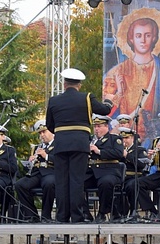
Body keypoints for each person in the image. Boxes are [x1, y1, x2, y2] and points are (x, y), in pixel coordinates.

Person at [103, 8, 160, 141]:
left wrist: (158, 125)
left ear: (154, 37)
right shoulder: (115, 73)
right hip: (124, 138)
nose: (143, 40)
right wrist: (118, 96)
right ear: (131, 38)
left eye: (147, 35)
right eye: (138, 35)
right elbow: (106, 113)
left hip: (154, 140)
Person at [46, 68, 113, 223]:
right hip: (80, 144)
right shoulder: (87, 98)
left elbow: (50, 125)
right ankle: (77, 216)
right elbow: (105, 110)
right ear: (80, 85)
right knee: (76, 180)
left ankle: (62, 216)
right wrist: (109, 99)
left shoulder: (54, 100)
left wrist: (63, 133)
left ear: (64, 84)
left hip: (61, 144)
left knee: (61, 180)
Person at [83, 115, 125, 222]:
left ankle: (102, 213)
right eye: (95, 126)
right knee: (76, 183)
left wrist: (99, 152)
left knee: (105, 183)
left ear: (106, 127)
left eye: (99, 126)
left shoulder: (115, 139)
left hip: (109, 170)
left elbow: (118, 153)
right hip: (91, 171)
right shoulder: (89, 139)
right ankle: (86, 213)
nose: (96, 129)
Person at [15, 120, 56, 223]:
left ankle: (46, 216)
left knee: (49, 183)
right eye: (40, 133)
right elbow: (31, 168)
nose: (42, 135)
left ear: (51, 131)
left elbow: (61, 161)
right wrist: (29, 162)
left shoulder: (59, 144)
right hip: (37, 173)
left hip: (51, 172)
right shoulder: (36, 147)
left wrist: (46, 156)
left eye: (44, 132)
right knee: (20, 185)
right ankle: (32, 215)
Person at [119, 126, 148, 216]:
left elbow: (141, 164)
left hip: (134, 176)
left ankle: (133, 210)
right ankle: (120, 213)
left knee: (132, 186)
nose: (124, 140)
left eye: (127, 138)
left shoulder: (139, 150)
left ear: (132, 138)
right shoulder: (117, 150)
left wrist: (127, 155)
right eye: (122, 138)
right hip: (121, 177)